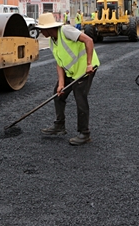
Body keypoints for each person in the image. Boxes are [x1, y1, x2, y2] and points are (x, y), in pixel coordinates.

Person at [36, 12, 100, 146]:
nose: (40, 31)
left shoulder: (66, 31)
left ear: (48, 28)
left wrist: (89, 64)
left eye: (41, 29)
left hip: (85, 69)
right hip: (71, 72)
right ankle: (59, 126)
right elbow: (59, 63)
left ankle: (84, 133)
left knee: (80, 98)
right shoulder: (52, 41)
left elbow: (89, 40)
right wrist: (61, 84)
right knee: (58, 94)